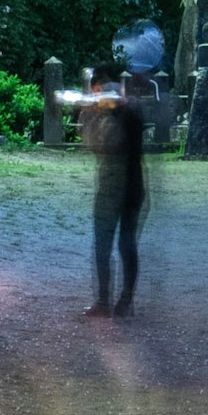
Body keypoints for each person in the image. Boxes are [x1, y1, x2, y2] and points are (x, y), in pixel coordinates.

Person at [83, 71, 147, 316]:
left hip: (114, 188)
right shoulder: (132, 109)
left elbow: (100, 146)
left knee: (107, 245)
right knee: (125, 245)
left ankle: (106, 301)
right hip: (133, 186)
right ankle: (123, 301)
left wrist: (94, 114)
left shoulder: (118, 115)